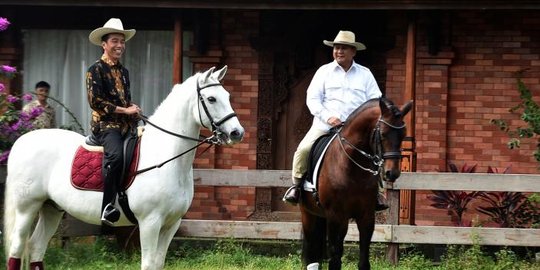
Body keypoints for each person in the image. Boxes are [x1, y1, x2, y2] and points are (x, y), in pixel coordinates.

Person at [282, 30, 389, 211]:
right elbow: (312, 99)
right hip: (325, 125)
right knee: (303, 149)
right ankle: (296, 187)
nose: (339, 51)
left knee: (378, 152)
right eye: (337, 48)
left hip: (356, 130)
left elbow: (375, 101)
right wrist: (328, 117)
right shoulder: (324, 72)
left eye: (344, 48)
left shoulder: (365, 74)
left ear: (353, 52)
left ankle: (378, 192)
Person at [87, 18, 141, 226]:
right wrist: (125, 110)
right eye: (115, 41)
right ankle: (107, 206)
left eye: (122, 41)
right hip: (105, 126)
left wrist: (133, 109)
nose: (119, 45)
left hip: (126, 124)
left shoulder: (124, 72)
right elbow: (96, 102)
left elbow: (124, 100)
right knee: (117, 157)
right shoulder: (95, 69)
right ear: (104, 44)